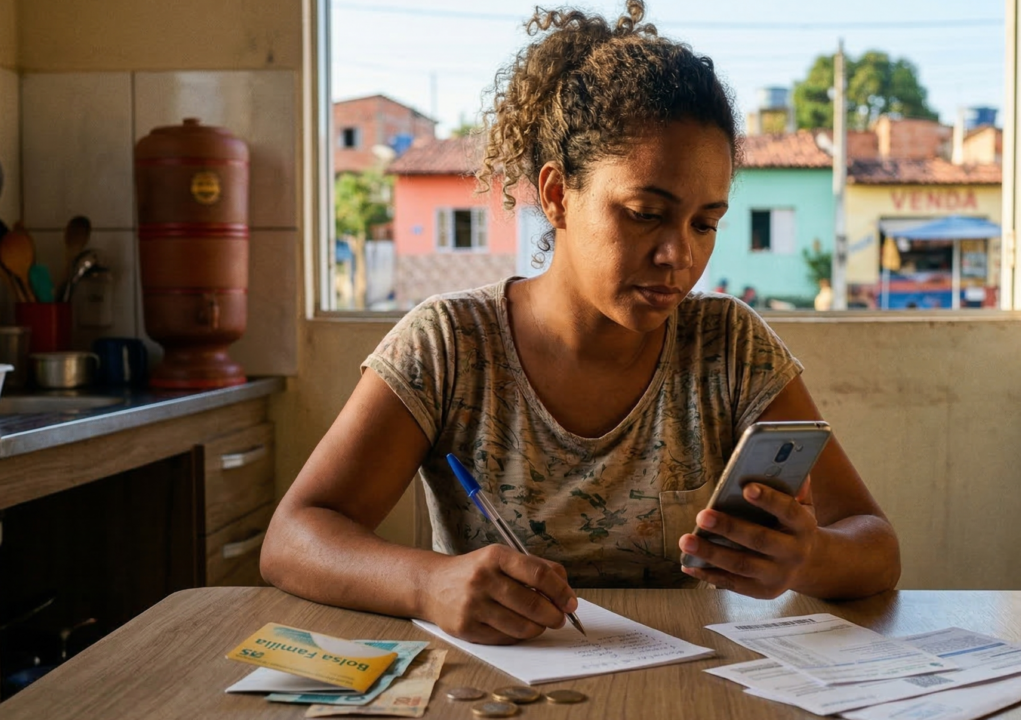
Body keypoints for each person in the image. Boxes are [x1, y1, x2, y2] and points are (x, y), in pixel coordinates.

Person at [260, 0, 899, 646]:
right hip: (499, 691)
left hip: (684, 689)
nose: (679, 254)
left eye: (705, 223)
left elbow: (876, 547)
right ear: (558, 195)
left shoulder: (728, 348)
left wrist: (807, 557)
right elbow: (293, 537)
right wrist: (429, 584)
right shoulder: (452, 346)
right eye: (646, 212)